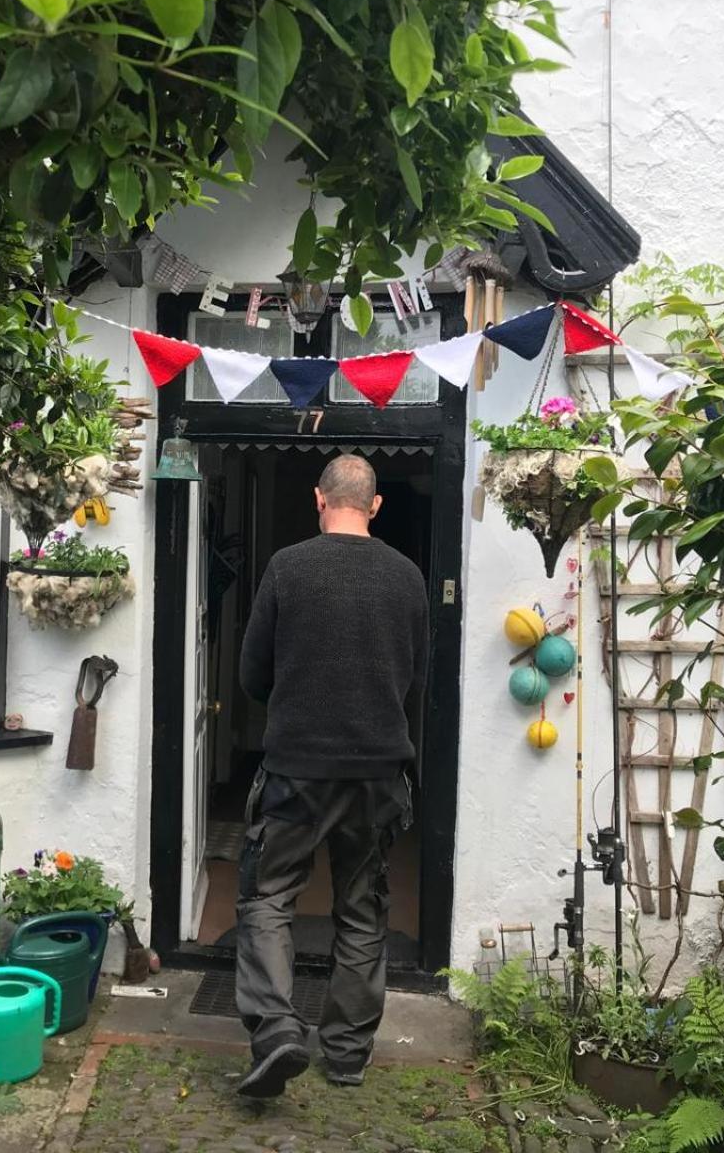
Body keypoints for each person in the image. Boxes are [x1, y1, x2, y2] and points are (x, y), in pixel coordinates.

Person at [233, 453, 428, 1098]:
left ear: (320, 499)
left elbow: (252, 676)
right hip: (377, 772)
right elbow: (416, 681)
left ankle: (276, 1031)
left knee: (268, 898)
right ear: (375, 505)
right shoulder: (407, 577)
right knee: (362, 912)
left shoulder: (288, 567)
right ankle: (345, 1055)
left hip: (296, 769)